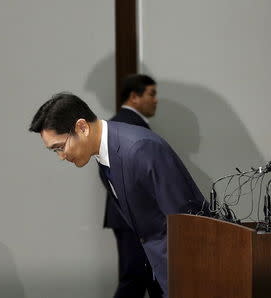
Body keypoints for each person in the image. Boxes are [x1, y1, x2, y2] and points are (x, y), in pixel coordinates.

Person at [28, 92, 208, 298]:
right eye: (54, 151)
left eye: (60, 147)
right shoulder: (104, 155)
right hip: (159, 273)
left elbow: (188, 223)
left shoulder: (140, 149)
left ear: (82, 127)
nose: (61, 156)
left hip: (185, 276)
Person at [102, 74, 162, 298]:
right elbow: (110, 173)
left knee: (148, 278)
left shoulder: (122, 123)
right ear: (134, 97)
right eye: (151, 94)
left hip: (134, 217)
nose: (156, 100)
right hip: (134, 218)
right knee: (135, 279)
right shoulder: (125, 124)